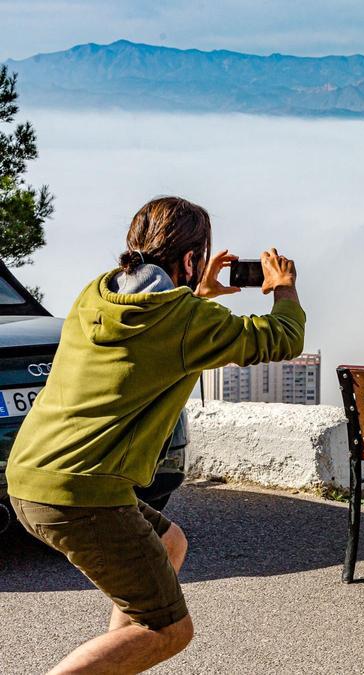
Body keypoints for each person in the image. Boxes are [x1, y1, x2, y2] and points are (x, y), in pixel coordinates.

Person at [5, 196, 306, 673]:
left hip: (27, 476)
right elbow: (282, 338)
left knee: (169, 544)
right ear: (191, 259)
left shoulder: (96, 294)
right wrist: (283, 289)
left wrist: (195, 294)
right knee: (168, 629)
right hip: (82, 492)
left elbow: (151, 328)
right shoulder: (183, 320)